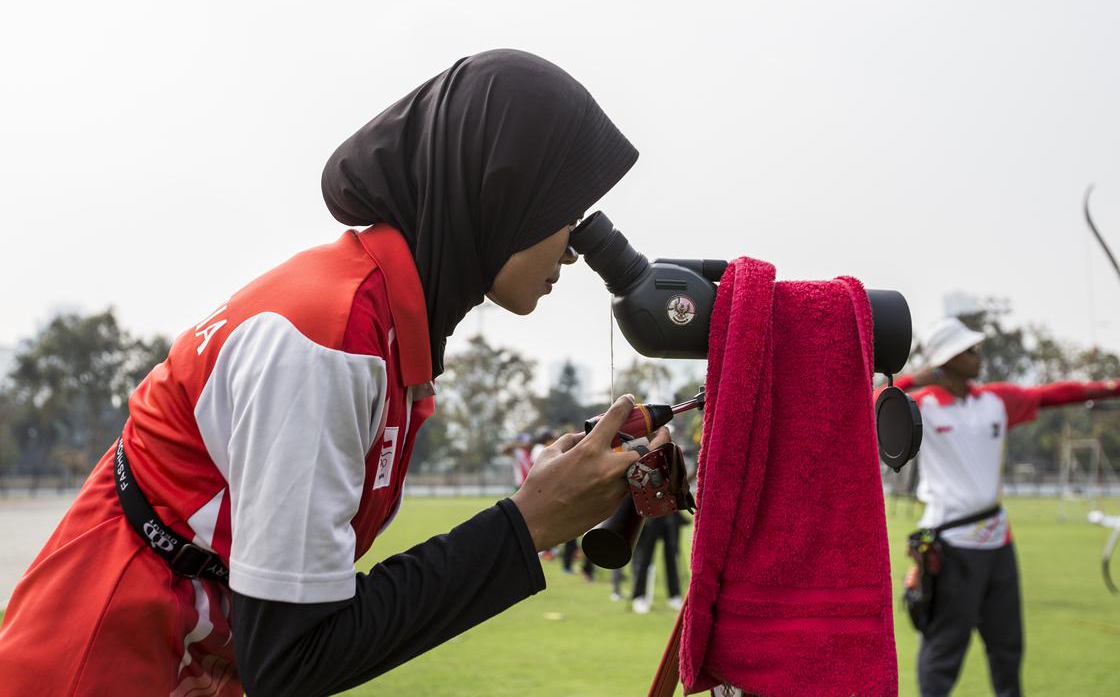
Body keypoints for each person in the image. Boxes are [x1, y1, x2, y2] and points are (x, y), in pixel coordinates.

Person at [0, 49, 669, 696]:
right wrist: (527, 525)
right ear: (502, 192)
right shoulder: (324, 337)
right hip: (95, 663)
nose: (576, 250)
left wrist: (529, 516)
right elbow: (293, 660)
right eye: (565, 210)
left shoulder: (378, 324)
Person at [885, 317, 1120, 697]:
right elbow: (873, 402)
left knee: (1008, 649)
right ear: (947, 360)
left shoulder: (994, 401)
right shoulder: (921, 406)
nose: (979, 356)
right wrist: (919, 377)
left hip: (998, 545)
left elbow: (1053, 395)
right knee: (943, 651)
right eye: (969, 351)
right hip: (951, 548)